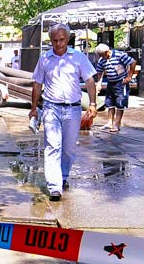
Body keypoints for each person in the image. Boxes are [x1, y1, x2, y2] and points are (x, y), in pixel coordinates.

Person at [29, 24, 99, 201]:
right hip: (51, 108)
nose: (58, 44)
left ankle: (64, 176)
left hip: (73, 109)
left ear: (67, 39)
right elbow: (37, 84)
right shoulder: (45, 59)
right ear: (50, 40)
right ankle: (54, 186)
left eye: (61, 40)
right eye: (54, 40)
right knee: (53, 147)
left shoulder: (78, 57)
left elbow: (90, 81)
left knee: (68, 149)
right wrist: (33, 109)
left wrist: (92, 103)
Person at [92, 43, 136, 132]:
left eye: (102, 55)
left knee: (120, 103)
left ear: (107, 51)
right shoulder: (102, 60)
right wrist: (99, 83)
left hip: (121, 82)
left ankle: (117, 124)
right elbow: (99, 71)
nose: (101, 57)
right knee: (109, 103)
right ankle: (109, 122)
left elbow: (133, 62)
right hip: (111, 83)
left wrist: (129, 77)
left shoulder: (119, 55)